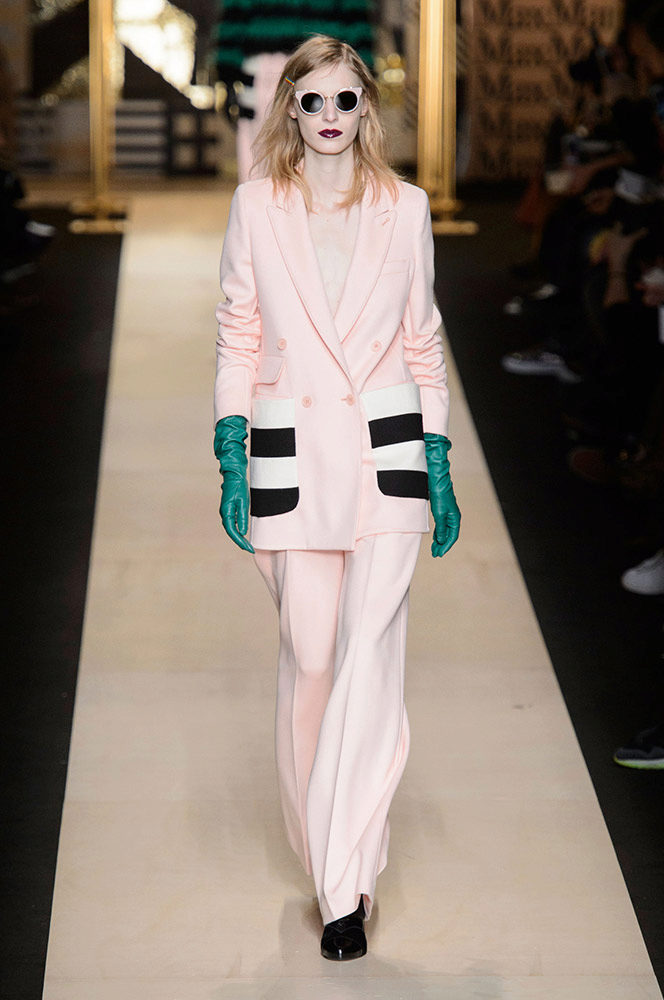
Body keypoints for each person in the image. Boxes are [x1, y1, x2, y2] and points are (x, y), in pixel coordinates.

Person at [212, 34, 460, 961]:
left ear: (366, 109)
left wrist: (437, 452)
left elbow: (422, 336)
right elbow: (239, 332)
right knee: (311, 659)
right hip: (289, 460)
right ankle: (324, 850)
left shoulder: (407, 207)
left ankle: (346, 885)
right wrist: (230, 442)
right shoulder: (256, 205)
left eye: (344, 101)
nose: (327, 117)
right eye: (310, 100)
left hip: (387, 455)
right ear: (290, 108)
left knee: (366, 660)